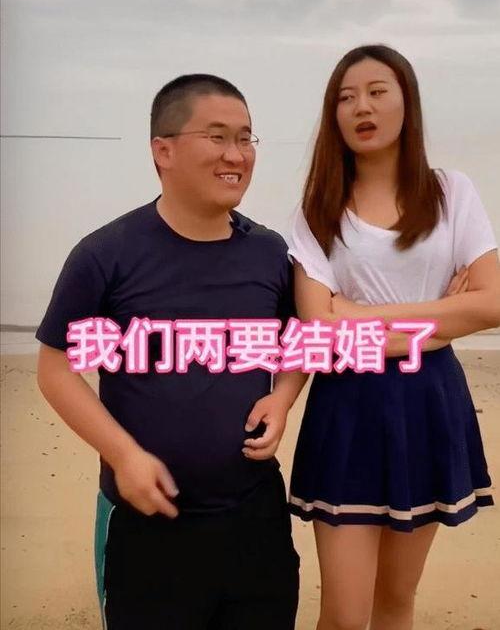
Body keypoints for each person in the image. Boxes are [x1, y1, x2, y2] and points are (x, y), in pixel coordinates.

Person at [37, 74, 305, 630]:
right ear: (163, 150)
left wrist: (282, 398)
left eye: (246, 138)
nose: (236, 155)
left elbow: (298, 341)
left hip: (254, 518)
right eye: (217, 136)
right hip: (146, 522)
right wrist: (124, 456)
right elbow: (55, 368)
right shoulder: (106, 254)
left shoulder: (267, 251)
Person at [287, 45, 499, 630]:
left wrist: (361, 314)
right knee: (344, 614)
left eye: (377, 92)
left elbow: (493, 303)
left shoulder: (451, 192)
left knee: (396, 601)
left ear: (407, 102)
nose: (362, 106)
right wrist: (443, 319)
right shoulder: (318, 211)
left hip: (428, 404)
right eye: (346, 97)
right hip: (348, 408)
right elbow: (321, 333)